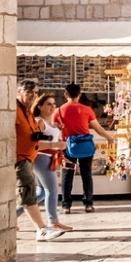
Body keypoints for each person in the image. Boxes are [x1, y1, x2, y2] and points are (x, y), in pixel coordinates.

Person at [16, 80, 64, 241]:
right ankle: (43, 229)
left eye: (35, 94)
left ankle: (12, 218)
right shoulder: (14, 110)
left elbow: (29, 134)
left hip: (30, 157)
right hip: (20, 158)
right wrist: (52, 143)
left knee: (33, 192)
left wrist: (39, 137)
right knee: (29, 190)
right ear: (19, 92)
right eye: (29, 93)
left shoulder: (27, 112)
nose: (32, 96)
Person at [55, 83, 115, 213]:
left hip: (67, 147)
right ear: (80, 94)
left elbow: (53, 128)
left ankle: (66, 206)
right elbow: (98, 128)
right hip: (85, 146)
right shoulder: (87, 109)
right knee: (86, 174)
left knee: (67, 175)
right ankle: (88, 204)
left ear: (65, 94)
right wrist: (109, 137)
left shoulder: (59, 111)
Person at [31, 94, 70, 233]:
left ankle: (15, 213)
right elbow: (34, 144)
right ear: (40, 106)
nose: (52, 106)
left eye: (53, 104)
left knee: (41, 192)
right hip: (42, 158)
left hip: (48, 158)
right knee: (51, 190)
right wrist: (56, 144)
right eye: (48, 104)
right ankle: (53, 222)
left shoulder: (50, 122)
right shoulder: (39, 122)